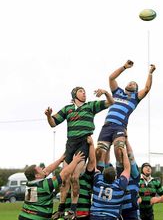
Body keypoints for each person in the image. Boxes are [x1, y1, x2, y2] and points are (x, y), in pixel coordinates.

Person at [45, 87, 114, 219]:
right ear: (74, 94)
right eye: (81, 91)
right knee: (64, 179)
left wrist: (105, 92)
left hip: (83, 143)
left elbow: (111, 103)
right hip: (70, 144)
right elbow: (53, 124)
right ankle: (60, 209)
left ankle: (73, 209)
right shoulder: (67, 109)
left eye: (85, 92)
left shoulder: (90, 106)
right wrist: (48, 116)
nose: (84, 93)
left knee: (74, 177)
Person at [96, 60, 156, 172]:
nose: (131, 83)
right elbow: (111, 78)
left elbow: (147, 88)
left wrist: (150, 73)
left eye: (134, 84)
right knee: (99, 153)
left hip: (119, 127)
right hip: (107, 126)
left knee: (119, 150)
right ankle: (99, 178)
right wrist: (124, 67)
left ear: (136, 89)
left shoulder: (135, 98)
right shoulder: (117, 92)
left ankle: (120, 178)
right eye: (130, 82)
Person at [18, 152, 85, 220]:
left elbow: (47, 171)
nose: (42, 168)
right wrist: (75, 161)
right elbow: (64, 174)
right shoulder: (45, 185)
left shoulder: (29, 184)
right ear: (37, 176)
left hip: (23, 216)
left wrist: (59, 160)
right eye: (40, 168)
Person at [56, 139, 97, 220]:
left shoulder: (87, 176)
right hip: (68, 215)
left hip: (83, 215)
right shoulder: (66, 176)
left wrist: (91, 145)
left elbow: (92, 161)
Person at [90, 146, 130, 220]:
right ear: (115, 177)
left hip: (95, 215)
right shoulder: (119, 185)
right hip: (111, 216)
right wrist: (124, 152)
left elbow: (93, 166)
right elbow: (127, 169)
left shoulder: (98, 181)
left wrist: (95, 151)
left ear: (103, 174)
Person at [119, 140, 140, 220]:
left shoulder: (134, 175)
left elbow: (131, 157)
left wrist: (126, 141)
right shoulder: (119, 175)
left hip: (131, 210)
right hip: (119, 209)